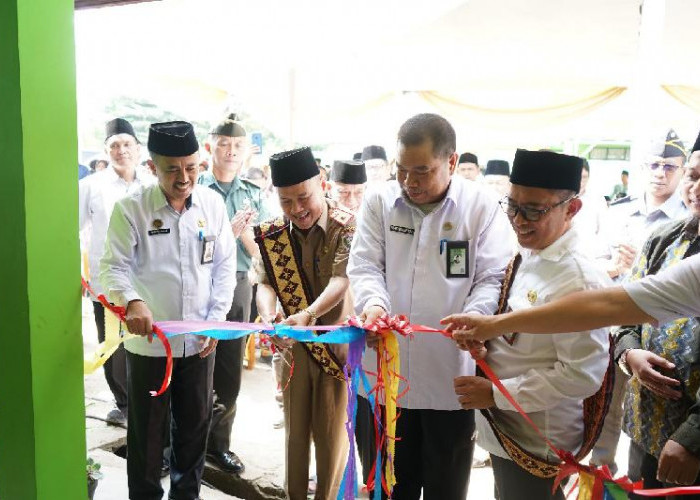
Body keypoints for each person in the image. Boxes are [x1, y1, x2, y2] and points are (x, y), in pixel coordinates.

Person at [348, 113, 512, 499]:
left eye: (422, 171)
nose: (409, 182)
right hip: (384, 375)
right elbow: (366, 265)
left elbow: (492, 276)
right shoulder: (380, 200)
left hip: (449, 380)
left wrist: (477, 318)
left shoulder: (480, 207)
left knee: (446, 486)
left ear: (451, 162)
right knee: (388, 486)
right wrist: (373, 305)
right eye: (401, 170)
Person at [444, 149, 610, 499]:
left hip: (539, 436)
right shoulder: (529, 252)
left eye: (534, 209)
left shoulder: (578, 280)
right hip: (508, 425)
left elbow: (583, 375)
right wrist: (484, 341)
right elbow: (519, 330)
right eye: (513, 205)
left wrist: (494, 392)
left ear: (573, 208)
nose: (519, 219)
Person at [100, 121, 236, 500]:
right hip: (150, 348)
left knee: (194, 430)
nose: (184, 177)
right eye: (172, 168)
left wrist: (216, 320)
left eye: (191, 167)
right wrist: (132, 300)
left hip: (199, 343)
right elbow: (113, 266)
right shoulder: (132, 209)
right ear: (152, 167)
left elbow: (224, 265)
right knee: (146, 435)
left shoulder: (212, 204)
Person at [253, 146, 355, 500]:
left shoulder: (347, 225)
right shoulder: (271, 235)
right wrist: (269, 316)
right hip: (292, 353)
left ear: (321, 183)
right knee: (295, 439)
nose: (296, 209)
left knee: (331, 441)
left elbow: (341, 280)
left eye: (303, 198)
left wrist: (308, 314)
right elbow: (263, 282)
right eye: (285, 202)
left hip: (334, 354)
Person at [610, 135, 700, 496]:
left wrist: (694, 438)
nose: (697, 188)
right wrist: (629, 355)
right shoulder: (662, 239)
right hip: (646, 428)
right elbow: (625, 312)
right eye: (693, 176)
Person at [198, 114, 269, 474]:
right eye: (223, 144)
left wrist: (242, 234)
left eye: (238, 146)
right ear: (210, 146)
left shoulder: (254, 195)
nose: (230, 151)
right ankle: (181, 442)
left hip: (240, 284)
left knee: (228, 369)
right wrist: (226, 231)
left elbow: (264, 252)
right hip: (197, 284)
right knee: (192, 365)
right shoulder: (193, 188)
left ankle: (217, 445)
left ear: (247, 153)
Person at [79, 117, 154, 425]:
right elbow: (72, 229)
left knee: (145, 338)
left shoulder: (152, 183)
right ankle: (123, 402)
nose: (122, 151)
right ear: (105, 151)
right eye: (114, 146)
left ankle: (149, 397)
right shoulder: (90, 187)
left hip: (148, 281)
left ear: (138, 148)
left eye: (127, 145)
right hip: (106, 281)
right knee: (113, 343)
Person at [603, 129, 688, 280]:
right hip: (612, 298)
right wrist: (613, 267)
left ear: (683, 172)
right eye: (654, 165)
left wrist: (640, 265)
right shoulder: (618, 211)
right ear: (643, 168)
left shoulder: (689, 218)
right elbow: (595, 261)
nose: (660, 173)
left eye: (669, 167)